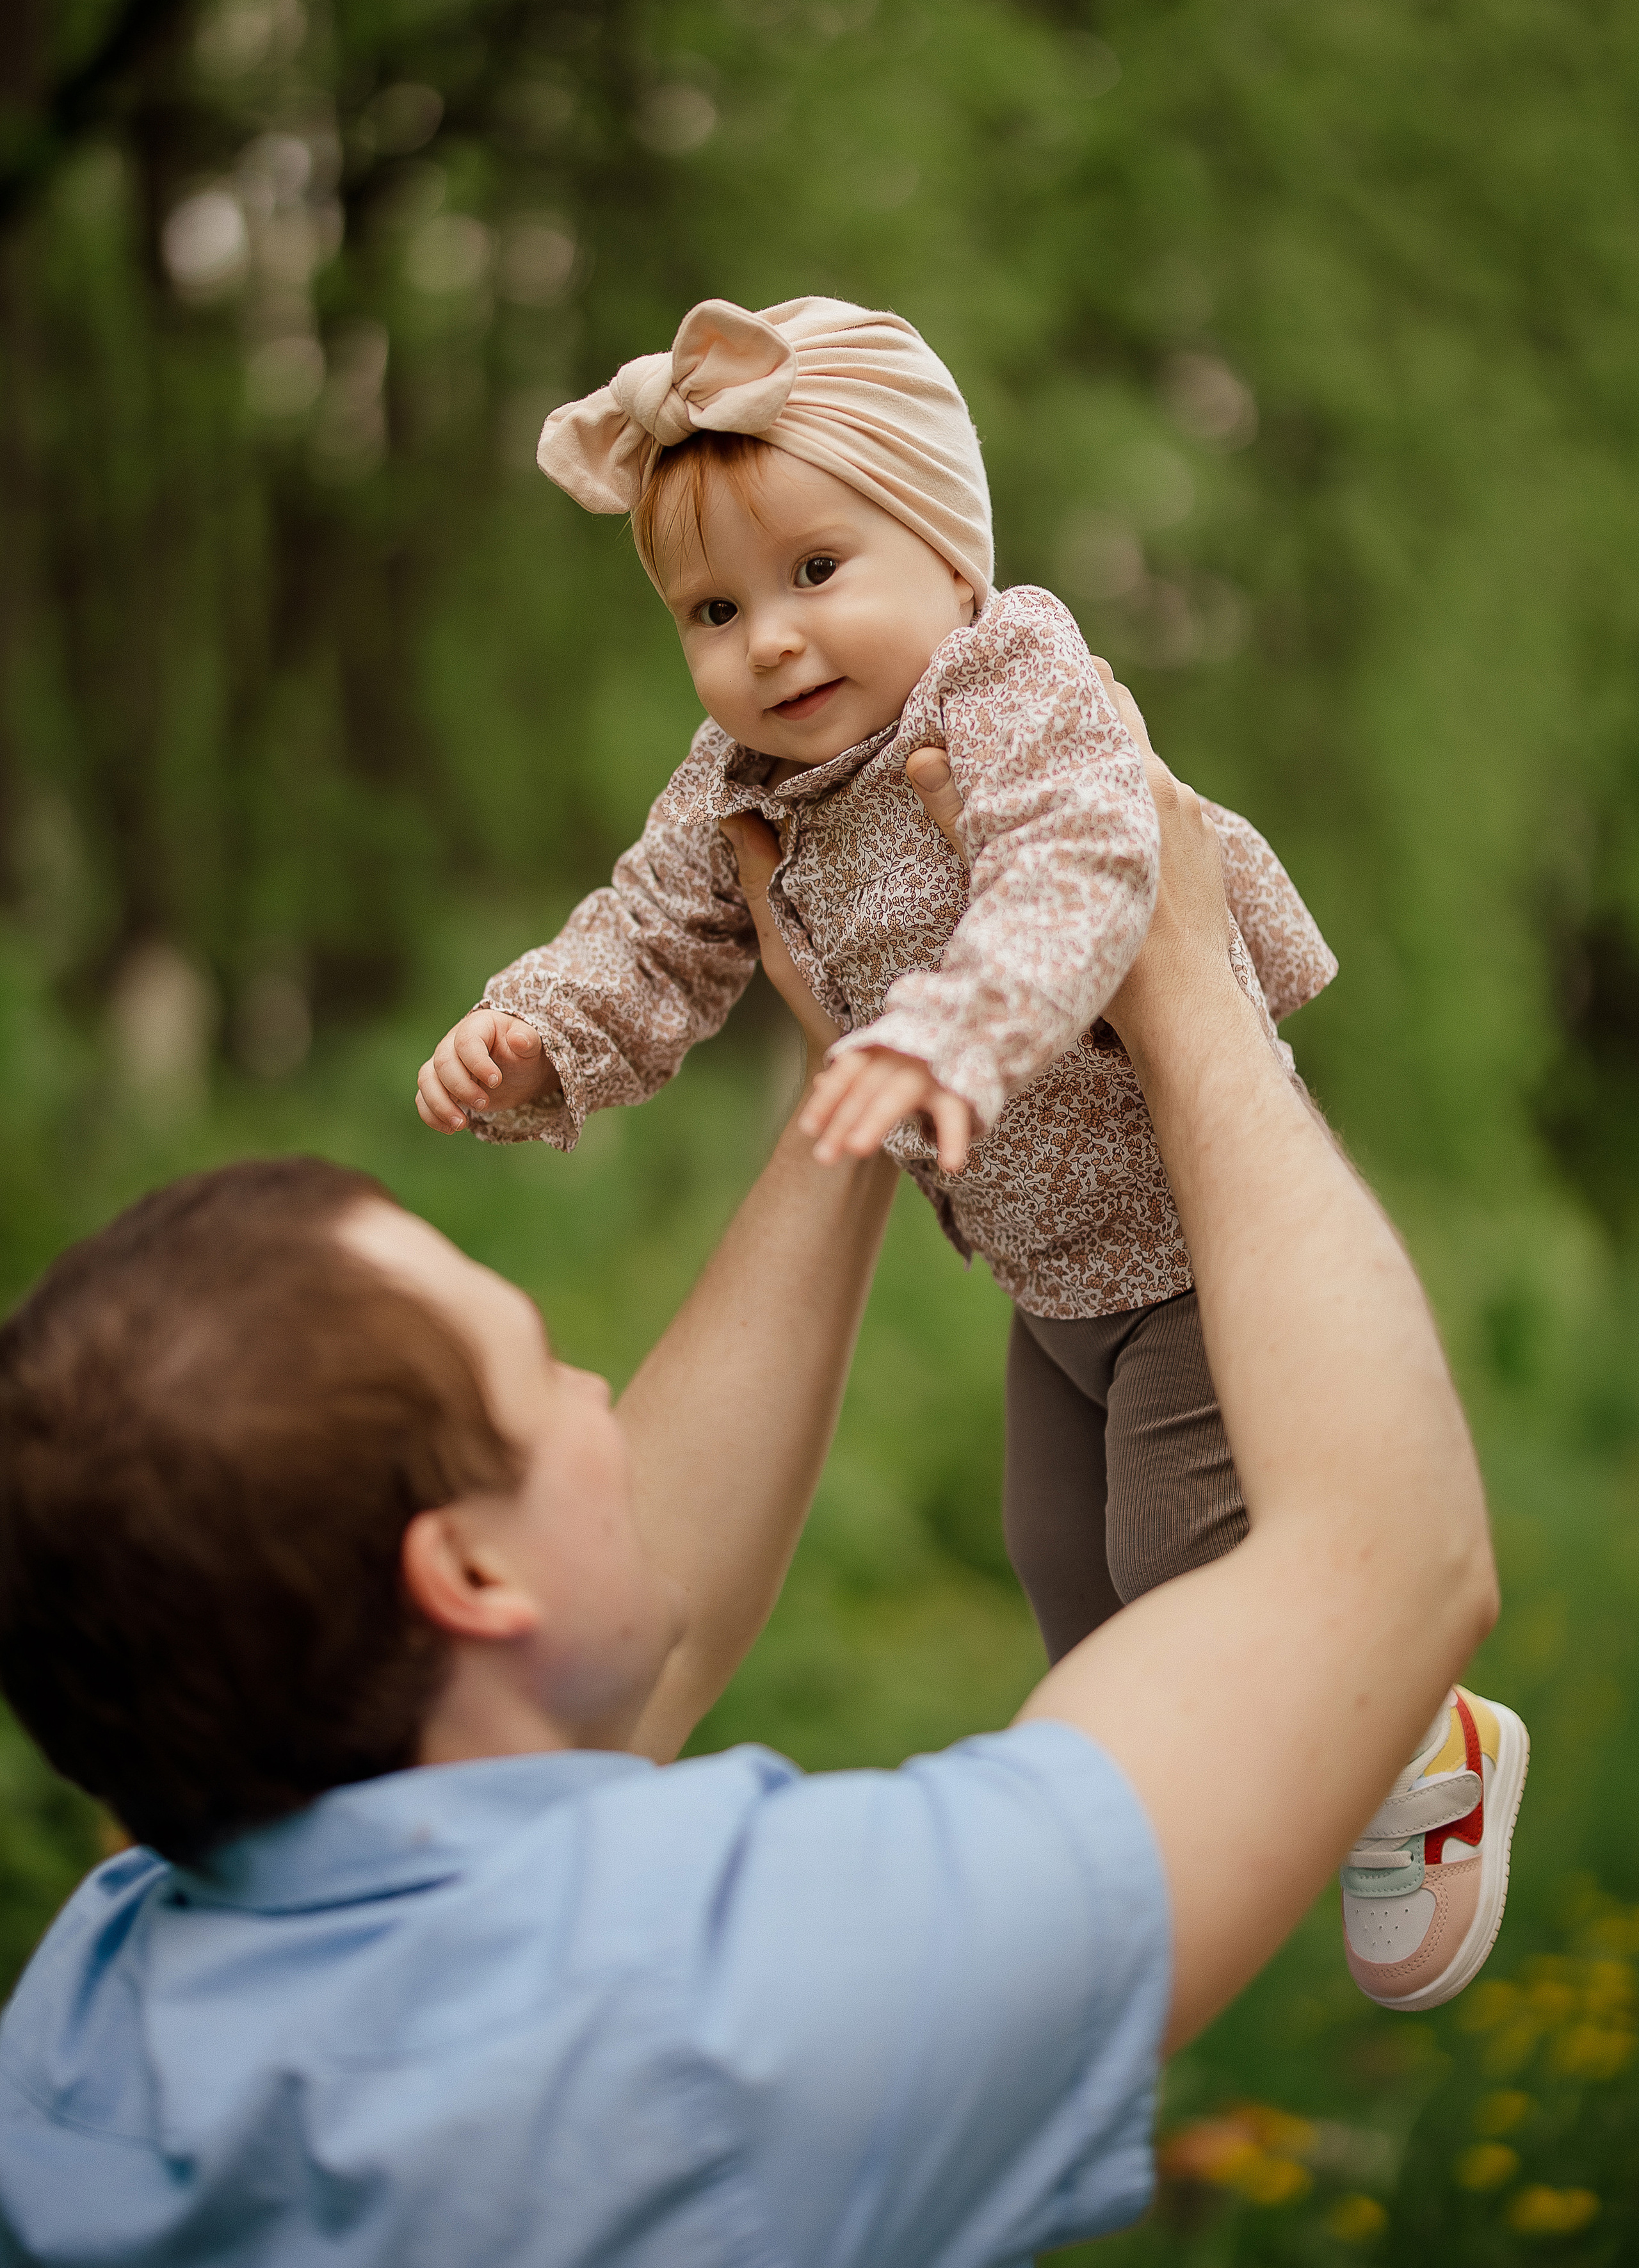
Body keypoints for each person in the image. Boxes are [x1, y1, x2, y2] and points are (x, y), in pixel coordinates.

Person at [0, 705, 1501, 2265]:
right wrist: (1184, 970)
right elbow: (1385, 1562)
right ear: (466, 1578)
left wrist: (857, 1072)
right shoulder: (740, 2010)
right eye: (542, 1367)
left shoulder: (93, 2010)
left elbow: (628, 1618)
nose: (601, 1396)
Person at [415, 295, 1522, 2007]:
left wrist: (946, 1029)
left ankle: (1417, 1745)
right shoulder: (741, 780)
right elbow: (652, 935)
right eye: (713, 610)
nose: (769, 644)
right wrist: (540, 1032)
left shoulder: (1018, 686)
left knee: (1186, 1570)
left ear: (949, 549)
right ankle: (1206, 1825)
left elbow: (1084, 874)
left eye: (814, 572)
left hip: (1196, 1240)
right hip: (1046, 1273)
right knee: (1073, 1590)